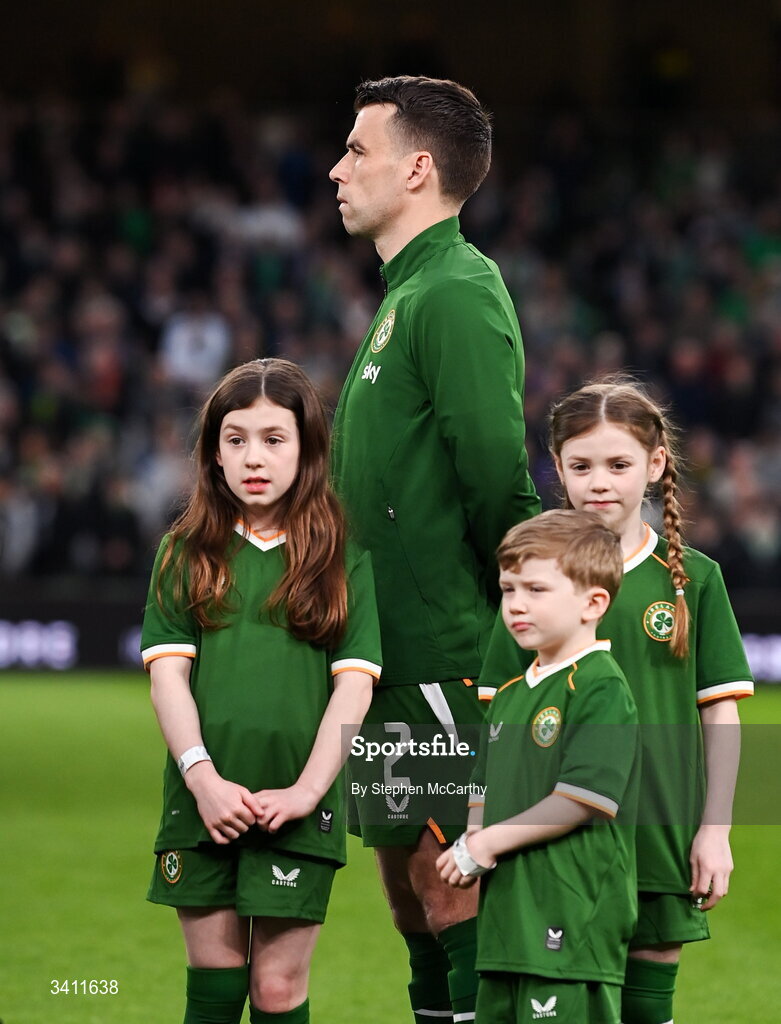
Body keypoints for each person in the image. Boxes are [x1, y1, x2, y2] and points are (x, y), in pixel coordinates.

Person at [329, 75, 540, 1023]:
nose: (337, 170)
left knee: (447, 881)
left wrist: (520, 606)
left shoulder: (456, 288)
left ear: (417, 169)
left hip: (443, 647)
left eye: (356, 150)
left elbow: (495, 470)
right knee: (409, 895)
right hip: (386, 649)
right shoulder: (406, 292)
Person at [478, 378, 754, 1024]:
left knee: (645, 1008)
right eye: (580, 466)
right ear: (557, 468)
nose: (598, 481)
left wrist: (714, 831)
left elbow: (719, 713)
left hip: (657, 832)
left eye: (617, 464)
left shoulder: (694, 581)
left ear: (654, 465)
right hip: (556, 846)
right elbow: (498, 720)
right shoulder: (530, 583)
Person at [141, 358, 382, 1024]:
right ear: (213, 454)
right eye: (236, 438)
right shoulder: (184, 551)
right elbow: (167, 678)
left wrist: (307, 790)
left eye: (274, 439)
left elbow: (354, 688)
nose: (254, 456)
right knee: (214, 989)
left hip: (299, 807)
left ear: (305, 450)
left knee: (276, 990)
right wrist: (202, 781)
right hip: (202, 803)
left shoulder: (341, 557)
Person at [437, 509, 640, 1024]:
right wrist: (472, 840)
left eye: (536, 590)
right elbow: (482, 786)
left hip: (570, 912)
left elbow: (581, 799)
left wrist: (486, 843)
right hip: (509, 916)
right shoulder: (508, 694)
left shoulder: (599, 683)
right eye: (508, 590)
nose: (516, 605)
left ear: (594, 602)